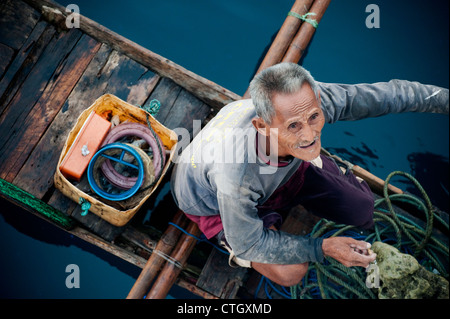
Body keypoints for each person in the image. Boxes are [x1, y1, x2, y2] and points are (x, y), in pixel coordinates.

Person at [170, 62, 449, 287]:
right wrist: (323, 247)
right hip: (212, 203)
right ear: (262, 126)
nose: (310, 134)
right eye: (293, 126)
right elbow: (251, 243)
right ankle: (233, 237)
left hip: (284, 167)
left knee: (363, 209)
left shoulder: (308, 102)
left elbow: (392, 95)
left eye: (314, 117)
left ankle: (301, 176)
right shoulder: (235, 176)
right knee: (292, 272)